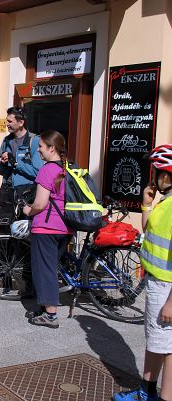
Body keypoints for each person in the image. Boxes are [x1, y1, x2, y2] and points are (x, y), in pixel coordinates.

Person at [112, 144, 172, 401]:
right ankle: (146, 391)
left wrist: (171, 302)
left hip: (166, 287)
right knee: (156, 340)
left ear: (166, 176)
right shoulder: (166, 202)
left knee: (168, 348)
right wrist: (147, 204)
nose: (154, 178)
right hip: (158, 282)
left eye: (157, 173)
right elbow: (150, 230)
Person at [22, 130, 72, 329]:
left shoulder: (47, 170)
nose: (39, 151)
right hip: (64, 228)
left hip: (46, 226)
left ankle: (50, 315)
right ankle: (44, 308)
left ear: (52, 148)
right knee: (51, 267)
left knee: (45, 270)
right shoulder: (67, 168)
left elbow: (40, 203)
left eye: (41, 146)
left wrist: (28, 210)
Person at [0, 106, 43, 233]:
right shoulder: (6, 141)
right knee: (4, 231)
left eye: (10, 121)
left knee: (22, 233)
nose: (6, 124)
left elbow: (37, 172)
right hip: (7, 191)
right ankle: (4, 253)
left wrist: (16, 163)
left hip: (26, 193)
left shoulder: (34, 141)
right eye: (6, 120)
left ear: (21, 122)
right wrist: (3, 163)